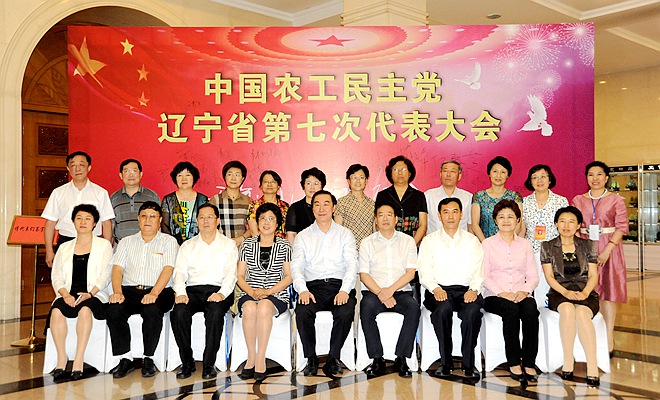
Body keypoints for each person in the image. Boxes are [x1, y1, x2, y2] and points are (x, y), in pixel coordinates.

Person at [107, 201, 178, 379]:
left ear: (159, 220)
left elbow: (168, 269)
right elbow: (117, 269)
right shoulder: (126, 242)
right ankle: (125, 358)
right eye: (144, 216)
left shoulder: (169, 241)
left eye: (153, 216)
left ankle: (148, 358)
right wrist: (117, 292)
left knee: (151, 309)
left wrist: (154, 293)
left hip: (160, 291)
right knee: (114, 309)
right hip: (130, 290)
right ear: (138, 219)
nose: (148, 220)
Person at [291, 190, 358, 377]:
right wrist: (302, 290)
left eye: (326, 204)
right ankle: (311, 358)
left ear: (333, 208)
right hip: (313, 288)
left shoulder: (345, 234)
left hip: (339, 286)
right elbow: (296, 267)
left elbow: (352, 265)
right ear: (312, 209)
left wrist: (345, 290)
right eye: (317, 204)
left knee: (345, 311)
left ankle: (333, 358)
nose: (322, 208)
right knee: (302, 311)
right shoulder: (303, 236)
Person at [418, 197, 484, 380]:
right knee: (442, 310)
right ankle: (445, 362)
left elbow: (479, 270)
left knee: (472, 312)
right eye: (445, 212)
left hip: (466, 290)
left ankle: (469, 364)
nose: (450, 216)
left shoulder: (472, 241)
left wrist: (474, 290)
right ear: (439, 216)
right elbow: (424, 270)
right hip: (438, 290)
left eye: (455, 212)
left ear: (461, 214)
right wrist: (435, 288)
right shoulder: (429, 241)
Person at [170, 203, 237, 380]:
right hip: (192, 290)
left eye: (210, 217)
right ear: (197, 221)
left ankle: (209, 364)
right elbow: (179, 273)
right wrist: (180, 293)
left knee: (215, 313)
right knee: (178, 312)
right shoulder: (187, 245)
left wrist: (222, 293)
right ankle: (187, 362)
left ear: (217, 221)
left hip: (218, 289)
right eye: (202, 217)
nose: (205, 221)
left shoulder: (228, 245)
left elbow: (231, 274)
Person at [48, 204, 113, 381]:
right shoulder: (64, 247)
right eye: (79, 218)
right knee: (56, 312)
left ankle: (78, 358)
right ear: (73, 222)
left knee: (85, 310)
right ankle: (62, 358)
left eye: (87, 219)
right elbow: (56, 276)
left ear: (95, 223)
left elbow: (106, 274)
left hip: (94, 294)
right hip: (68, 293)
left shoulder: (104, 245)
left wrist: (91, 293)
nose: (83, 222)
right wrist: (65, 294)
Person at [571, 161, 627, 355]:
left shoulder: (616, 200)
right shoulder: (578, 200)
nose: (595, 178)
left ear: (606, 177)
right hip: (585, 248)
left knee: (608, 294)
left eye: (599, 174)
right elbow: (573, 225)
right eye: (591, 174)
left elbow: (621, 227)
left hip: (609, 249)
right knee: (588, 292)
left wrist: (608, 249)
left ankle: (608, 337)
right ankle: (589, 336)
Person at [541, 206, 600, 387]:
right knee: (567, 309)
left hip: (586, 291)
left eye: (571, 221)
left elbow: (593, 275)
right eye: (562, 221)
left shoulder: (588, 245)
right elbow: (549, 277)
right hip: (559, 292)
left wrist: (585, 292)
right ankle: (568, 360)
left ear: (578, 225)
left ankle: (592, 365)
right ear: (556, 224)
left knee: (582, 313)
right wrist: (565, 292)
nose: (566, 226)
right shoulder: (548, 246)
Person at [359, 201, 419, 378]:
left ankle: (402, 357)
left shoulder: (408, 241)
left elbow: (410, 273)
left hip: (400, 291)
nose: (385, 218)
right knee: (366, 307)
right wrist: (381, 293)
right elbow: (364, 275)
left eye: (389, 215)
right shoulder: (367, 243)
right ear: (376, 219)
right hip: (374, 292)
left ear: (396, 219)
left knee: (413, 308)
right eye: (381, 215)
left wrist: (390, 291)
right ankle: (377, 358)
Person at [482, 199, 539, 383]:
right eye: (501, 217)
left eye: (510, 217)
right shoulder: (487, 244)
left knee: (530, 309)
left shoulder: (525, 245)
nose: (506, 221)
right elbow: (484, 276)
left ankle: (529, 362)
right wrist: (502, 293)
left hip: (521, 292)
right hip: (494, 295)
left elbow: (533, 276)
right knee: (511, 310)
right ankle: (513, 361)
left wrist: (524, 291)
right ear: (495, 220)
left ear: (518, 220)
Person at [236, 203, 292, 383]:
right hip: (249, 292)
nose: (266, 223)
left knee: (264, 307)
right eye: (262, 219)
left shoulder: (284, 246)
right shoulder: (247, 245)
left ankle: (261, 358)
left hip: (276, 294)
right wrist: (251, 292)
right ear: (257, 222)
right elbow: (239, 276)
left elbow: (289, 276)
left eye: (271, 219)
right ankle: (251, 357)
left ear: (278, 224)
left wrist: (268, 292)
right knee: (250, 308)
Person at [42, 151, 114, 267]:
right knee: (63, 276)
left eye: (81, 164)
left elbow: (107, 223)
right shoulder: (58, 193)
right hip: (66, 242)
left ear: (89, 167)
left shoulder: (100, 193)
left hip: (93, 243)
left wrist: (107, 249)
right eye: (73, 165)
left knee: (92, 277)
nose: (77, 169)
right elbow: (50, 223)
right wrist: (49, 250)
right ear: (68, 168)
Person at [521, 164, 568, 307]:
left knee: (551, 284)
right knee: (531, 284)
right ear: (530, 181)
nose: (539, 180)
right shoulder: (524, 202)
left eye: (543, 176)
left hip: (554, 250)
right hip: (531, 250)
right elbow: (522, 228)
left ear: (550, 179)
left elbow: (566, 228)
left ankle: (550, 312)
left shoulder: (561, 201)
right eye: (534, 177)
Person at [375, 155, 427, 245]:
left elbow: (423, 224)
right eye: (395, 170)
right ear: (391, 174)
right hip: (388, 244)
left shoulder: (419, 196)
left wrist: (411, 245)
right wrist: (388, 244)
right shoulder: (382, 195)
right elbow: (378, 222)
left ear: (409, 173)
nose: (399, 173)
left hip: (413, 243)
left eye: (403, 169)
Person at [471, 156, 522, 242]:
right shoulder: (479, 196)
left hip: (508, 244)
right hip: (484, 244)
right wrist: (486, 244)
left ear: (508, 175)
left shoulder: (515, 197)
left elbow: (518, 224)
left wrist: (506, 242)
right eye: (495, 171)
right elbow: (475, 225)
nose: (498, 175)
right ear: (489, 173)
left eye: (503, 172)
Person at [110, 158, 160, 244]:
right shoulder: (113, 198)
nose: (131, 175)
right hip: (121, 245)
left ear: (141, 174)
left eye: (134, 171)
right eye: (126, 171)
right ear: (121, 175)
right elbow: (111, 225)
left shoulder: (152, 196)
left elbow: (158, 223)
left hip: (148, 244)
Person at [161, 161, 208, 245]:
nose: (184, 179)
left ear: (194, 177)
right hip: (173, 246)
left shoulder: (202, 200)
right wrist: (174, 244)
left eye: (188, 175)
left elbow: (206, 223)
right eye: (180, 175)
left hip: (199, 246)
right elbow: (164, 225)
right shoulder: (168, 200)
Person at [209, 160, 252, 247]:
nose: (233, 178)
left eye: (237, 175)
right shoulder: (215, 200)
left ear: (242, 178)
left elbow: (254, 226)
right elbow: (210, 224)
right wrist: (224, 240)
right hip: (220, 246)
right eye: (230, 174)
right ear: (225, 177)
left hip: (243, 247)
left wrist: (241, 238)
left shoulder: (248, 201)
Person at [425, 160, 473, 233]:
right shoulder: (428, 196)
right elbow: (423, 224)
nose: (448, 174)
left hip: (460, 240)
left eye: (453, 171)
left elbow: (470, 225)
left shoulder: (468, 197)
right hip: (434, 239)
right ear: (440, 174)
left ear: (459, 176)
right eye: (445, 171)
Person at [335, 164, 375, 251]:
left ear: (366, 180)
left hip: (368, 251)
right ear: (349, 181)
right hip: (349, 251)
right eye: (354, 178)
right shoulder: (342, 202)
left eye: (361, 177)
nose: (358, 181)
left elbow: (374, 230)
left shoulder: (372, 204)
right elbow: (337, 230)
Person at [286, 167, 326, 244]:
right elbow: (291, 235)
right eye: (308, 183)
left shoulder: (328, 207)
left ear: (322, 186)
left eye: (316, 183)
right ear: (303, 186)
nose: (312, 187)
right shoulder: (295, 208)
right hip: (302, 248)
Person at [247, 170, 289, 239]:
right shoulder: (254, 205)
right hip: (260, 243)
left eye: (273, 182)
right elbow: (253, 231)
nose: (269, 184)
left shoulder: (285, 206)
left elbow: (288, 231)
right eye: (266, 182)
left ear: (278, 186)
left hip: (281, 244)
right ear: (261, 186)